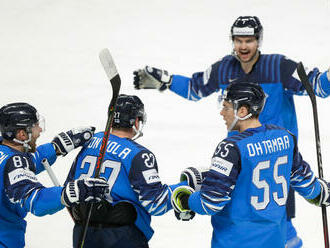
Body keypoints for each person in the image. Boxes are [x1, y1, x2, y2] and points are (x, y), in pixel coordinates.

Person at [133, 16, 330, 247]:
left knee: (267, 225)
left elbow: (318, 86)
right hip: (246, 158)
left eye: (249, 40)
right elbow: (195, 89)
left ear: (259, 40)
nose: (243, 46)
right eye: (238, 40)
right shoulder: (225, 68)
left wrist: (187, 200)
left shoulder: (279, 66)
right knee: (266, 224)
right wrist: (167, 81)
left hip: (271, 158)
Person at [171, 82, 330, 248]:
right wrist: (323, 192)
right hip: (275, 241)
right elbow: (308, 186)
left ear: (242, 111)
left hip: (236, 242)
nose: (222, 112)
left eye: (226, 107)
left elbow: (211, 202)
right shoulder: (285, 137)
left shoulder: (231, 148)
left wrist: (186, 199)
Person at [64, 94, 193, 248]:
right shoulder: (139, 155)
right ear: (136, 121)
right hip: (122, 237)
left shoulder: (89, 143)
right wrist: (182, 188)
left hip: (84, 233)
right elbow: (156, 203)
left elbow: (68, 192)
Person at [0, 102, 109, 248]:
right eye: (35, 126)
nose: (39, 130)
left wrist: (56, 147)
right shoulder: (13, 162)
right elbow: (36, 201)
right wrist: (71, 192)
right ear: (22, 134)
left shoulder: (5, 152)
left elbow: (27, 163)